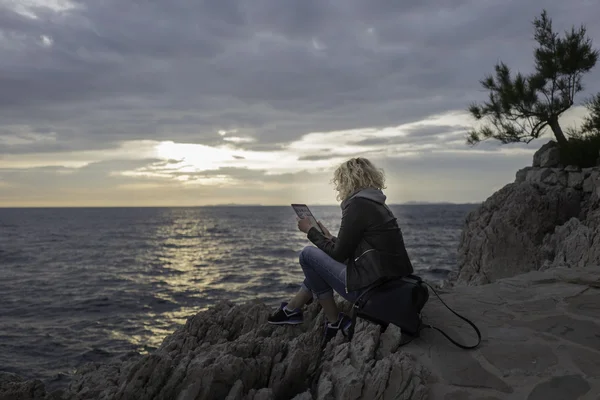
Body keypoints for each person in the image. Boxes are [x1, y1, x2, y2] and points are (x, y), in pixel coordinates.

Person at [268, 157, 414, 342]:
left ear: (348, 180)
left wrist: (310, 231)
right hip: (386, 282)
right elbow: (353, 248)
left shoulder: (357, 205)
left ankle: (333, 321)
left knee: (307, 255)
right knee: (317, 265)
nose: (338, 187)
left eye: (339, 182)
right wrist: (329, 238)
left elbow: (339, 254)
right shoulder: (377, 204)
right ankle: (291, 309)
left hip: (370, 291)